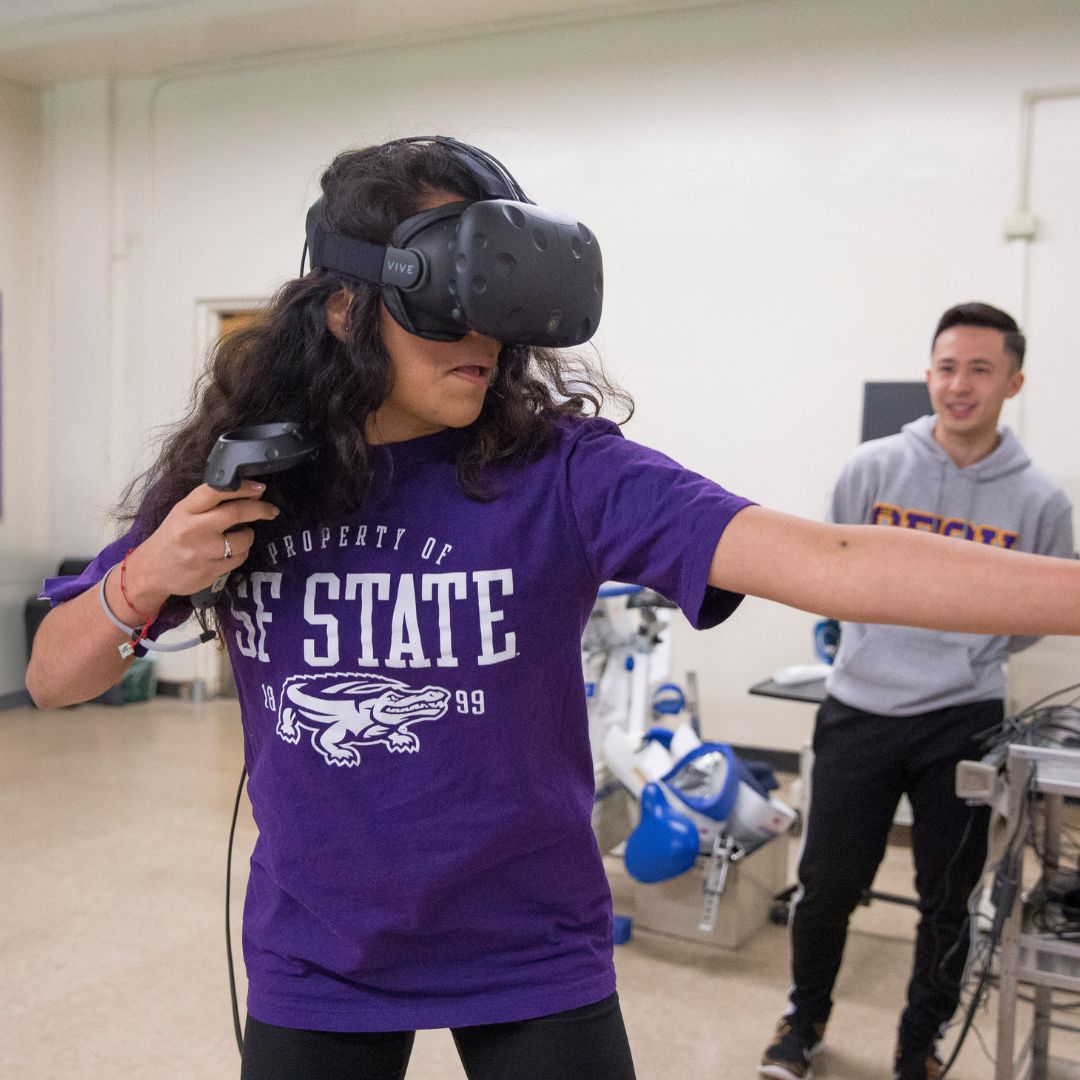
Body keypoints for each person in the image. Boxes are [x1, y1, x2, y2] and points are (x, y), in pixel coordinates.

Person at [24, 142, 1080, 1080]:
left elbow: (833, 559)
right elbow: (53, 678)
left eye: (507, 298)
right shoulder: (252, 478)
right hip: (320, 949)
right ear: (344, 307)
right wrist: (150, 570)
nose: (487, 334)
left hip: (528, 943)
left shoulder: (562, 472)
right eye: (452, 297)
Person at [759, 302, 1074, 1080]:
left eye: (979, 369)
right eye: (945, 367)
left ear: (1013, 380)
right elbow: (834, 566)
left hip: (962, 721)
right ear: (928, 372)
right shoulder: (872, 468)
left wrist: (973, 652)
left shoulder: (1040, 500)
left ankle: (917, 1045)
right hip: (860, 708)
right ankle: (803, 1023)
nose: (958, 385)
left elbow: (1037, 612)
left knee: (949, 899)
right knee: (827, 885)